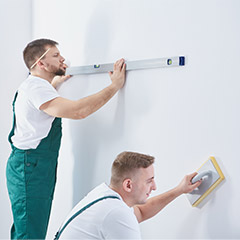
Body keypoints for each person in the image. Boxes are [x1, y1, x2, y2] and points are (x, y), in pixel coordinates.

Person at [6, 38, 126, 240]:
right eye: (55, 55)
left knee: (27, 227)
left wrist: (55, 84)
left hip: (30, 166)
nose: (62, 59)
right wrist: (114, 86)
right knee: (30, 233)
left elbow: (43, 108)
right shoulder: (37, 88)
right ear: (41, 64)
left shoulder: (36, 86)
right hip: (30, 168)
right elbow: (79, 111)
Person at [55, 151, 202, 239]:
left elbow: (140, 212)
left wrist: (179, 190)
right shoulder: (116, 212)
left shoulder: (105, 196)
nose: (154, 187)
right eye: (149, 181)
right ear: (128, 185)